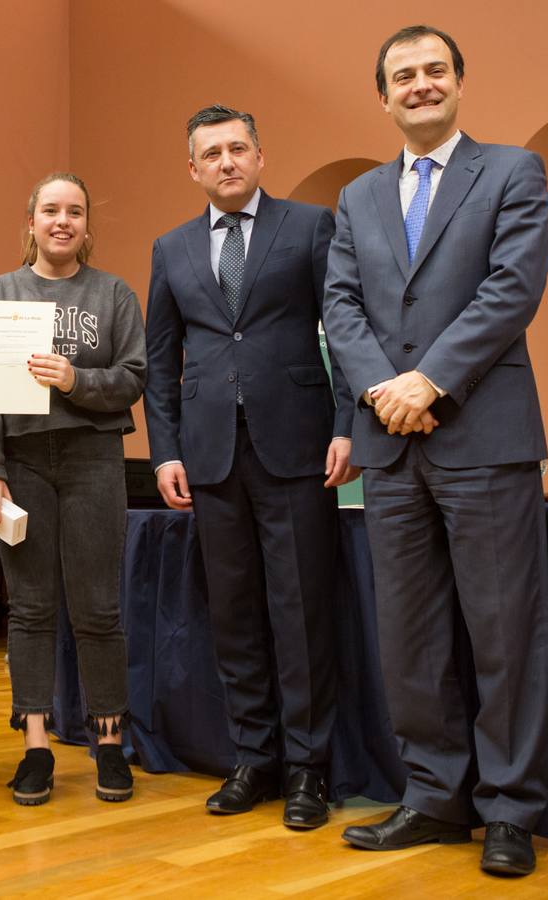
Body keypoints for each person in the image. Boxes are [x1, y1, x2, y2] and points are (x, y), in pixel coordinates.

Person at [323, 26, 548, 877]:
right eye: (402, 76)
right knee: (408, 637)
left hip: (484, 439)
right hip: (390, 448)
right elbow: (340, 306)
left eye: (433, 71)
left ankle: (510, 810)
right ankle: (433, 797)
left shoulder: (514, 173)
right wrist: (388, 389)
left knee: (502, 634)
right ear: (382, 96)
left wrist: (432, 382)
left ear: (459, 81)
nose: (419, 85)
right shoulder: (359, 198)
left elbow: (512, 290)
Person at [144, 105, 357, 829]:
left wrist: (349, 422)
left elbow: (345, 328)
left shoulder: (309, 227)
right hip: (208, 457)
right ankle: (254, 760)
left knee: (300, 616)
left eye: (239, 148)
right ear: (194, 168)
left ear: (261, 157)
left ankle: (308, 771)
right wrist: (164, 449)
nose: (228, 161)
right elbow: (161, 360)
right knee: (232, 617)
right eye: (213, 152)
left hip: (297, 448)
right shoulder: (170, 248)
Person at [0, 173, 146, 805]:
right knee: (32, 608)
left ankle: (109, 745)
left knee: (98, 609)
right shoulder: (1, 293)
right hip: (22, 464)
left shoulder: (113, 294)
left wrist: (74, 379)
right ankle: (36, 746)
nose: (62, 221)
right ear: (32, 222)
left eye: (74, 211)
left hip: (93, 457)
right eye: (50, 210)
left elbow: (131, 379)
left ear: (86, 226)